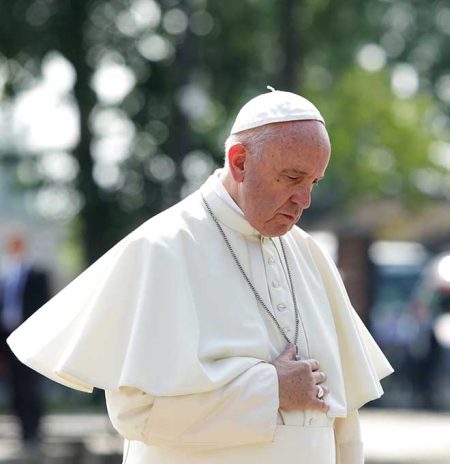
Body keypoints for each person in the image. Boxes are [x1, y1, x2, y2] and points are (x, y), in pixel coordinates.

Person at [7, 89, 393, 463]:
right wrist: (271, 389)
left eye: (313, 182)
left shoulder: (310, 256)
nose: (304, 200)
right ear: (239, 161)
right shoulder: (162, 248)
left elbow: (343, 420)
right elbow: (138, 414)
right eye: (292, 178)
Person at [0, 232, 50, 446]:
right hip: (7, 337)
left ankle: (34, 428)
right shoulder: (5, 277)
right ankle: (22, 428)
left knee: (30, 385)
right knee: (15, 386)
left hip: (29, 336)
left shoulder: (37, 274)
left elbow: (44, 306)